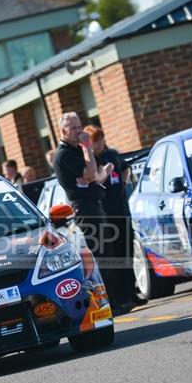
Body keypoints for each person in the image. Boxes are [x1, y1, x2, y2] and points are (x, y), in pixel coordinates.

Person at [52, 113, 135, 315]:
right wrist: (88, 147)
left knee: (110, 253)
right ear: (63, 132)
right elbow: (90, 174)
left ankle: (119, 299)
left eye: (80, 126)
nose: (79, 131)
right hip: (85, 208)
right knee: (103, 255)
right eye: (73, 128)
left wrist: (101, 170)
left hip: (96, 204)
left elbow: (97, 175)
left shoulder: (77, 150)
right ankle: (109, 304)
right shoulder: (65, 154)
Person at [83, 125, 147, 307]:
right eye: (96, 141)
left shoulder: (111, 154)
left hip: (122, 211)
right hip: (106, 215)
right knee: (116, 256)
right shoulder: (90, 161)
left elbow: (126, 167)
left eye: (101, 139)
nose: (99, 144)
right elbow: (94, 179)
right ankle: (120, 296)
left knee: (128, 253)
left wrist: (125, 179)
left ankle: (132, 292)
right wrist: (106, 172)